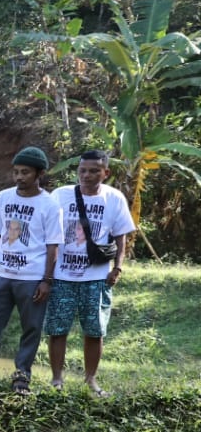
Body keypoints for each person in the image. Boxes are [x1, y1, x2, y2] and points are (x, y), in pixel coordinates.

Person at [0, 146, 64, 392]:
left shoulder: (50, 205)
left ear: (39, 174)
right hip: (2, 273)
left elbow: (53, 246)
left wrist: (47, 280)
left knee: (31, 328)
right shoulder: (3, 197)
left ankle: (22, 375)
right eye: (16, 172)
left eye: (25, 172)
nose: (19, 177)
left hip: (32, 277)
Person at [46, 149, 134, 394]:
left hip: (96, 278)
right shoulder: (60, 195)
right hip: (62, 275)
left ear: (106, 172)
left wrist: (117, 267)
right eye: (82, 170)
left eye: (94, 170)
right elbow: (48, 234)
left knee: (95, 330)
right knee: (57, 328)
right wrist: (47, 273)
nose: (87, 175)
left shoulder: (114, 198)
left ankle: (91, 379)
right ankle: (56, 379)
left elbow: (120, 237)